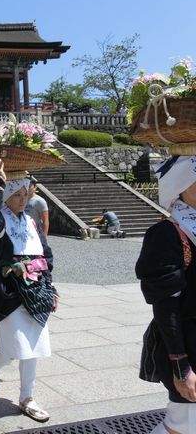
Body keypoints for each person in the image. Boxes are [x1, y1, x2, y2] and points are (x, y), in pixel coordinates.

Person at [0, 160, 58, 423]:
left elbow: (45, 254)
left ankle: (27, 397)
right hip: (9, 288)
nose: (23, 199)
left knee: (33, 344)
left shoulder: (32, 221)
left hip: (36, 287)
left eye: (26, 194)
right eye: (17, 194)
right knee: (16, 347)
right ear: (7, 197)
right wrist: (0, 185)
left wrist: (51, 285)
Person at [136, 155, 196, 434]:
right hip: (187, 344)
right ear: (181, 184)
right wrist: (181, 365)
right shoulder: (167, 233)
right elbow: (165, 306)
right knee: (181, 426)